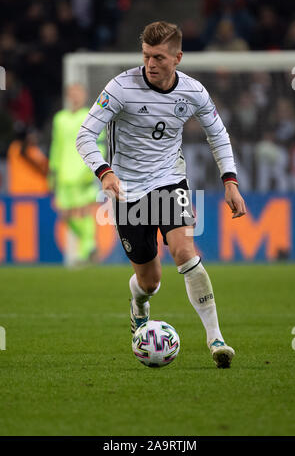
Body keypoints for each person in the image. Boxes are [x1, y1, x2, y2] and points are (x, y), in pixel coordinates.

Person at [76, 21, 246, 368]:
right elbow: (84, 135)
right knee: (150, 281)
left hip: (169, 182)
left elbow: (219, 134)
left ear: (178, 58)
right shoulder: (120, 87)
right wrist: (105, 172)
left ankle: (216, 339)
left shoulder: (194, 92)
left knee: (185, 251)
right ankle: (139, 304)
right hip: (126, 191)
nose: (151, 64)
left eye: (159, 57)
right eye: (146, 56)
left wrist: (230, 181)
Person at [49, 83, 106, 265]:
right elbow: (56, 145)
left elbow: (101, 145)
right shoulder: (60, 118)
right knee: (64, 214)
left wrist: (94, 169)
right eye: (71, 93)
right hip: (64, 173)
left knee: (83, 212)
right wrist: (53, 169)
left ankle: (85, 250)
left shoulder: (90, 117)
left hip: (83, 171)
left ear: (84, 95)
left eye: (78, 93)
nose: (74, 97)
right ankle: (89, 246)